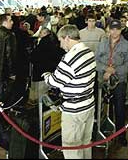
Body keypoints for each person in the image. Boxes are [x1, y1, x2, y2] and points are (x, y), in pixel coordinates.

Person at [42, 24, 96, 159]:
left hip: (74, 110)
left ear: (67, 38)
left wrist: (47, 76)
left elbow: (55, 81)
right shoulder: (88, 51)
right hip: (88, 105)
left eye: (60, 40)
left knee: (71, 147)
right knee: (85, 143)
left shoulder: (70, 57)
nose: (60, 45)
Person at [95, 19, 128, 146]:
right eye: (112, 29)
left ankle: (121, 135)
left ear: (121, 30)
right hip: (103, 80)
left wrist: (113, 70)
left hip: (119, 81)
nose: (114, 31)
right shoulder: (102, 43)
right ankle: (103, 131)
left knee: (120, 109)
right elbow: (96, 62)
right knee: (101, 108)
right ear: (109, 30)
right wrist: (106, 69)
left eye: (117, 29)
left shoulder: (126, 45)